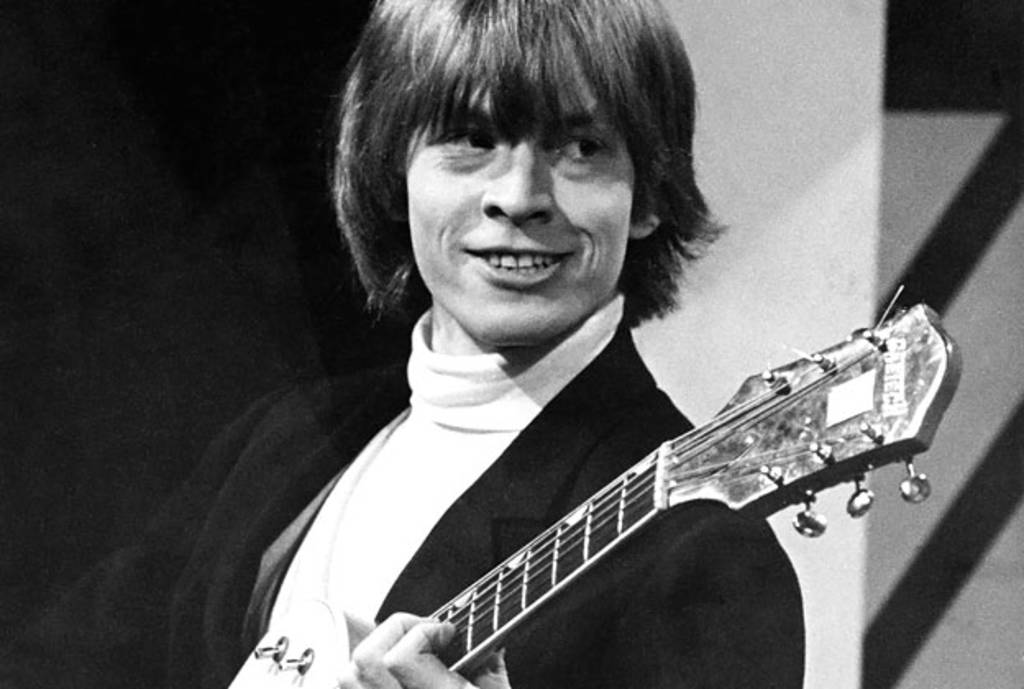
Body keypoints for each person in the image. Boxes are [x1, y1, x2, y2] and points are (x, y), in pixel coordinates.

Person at [8, 0, 804, 687]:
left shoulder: (701, 548)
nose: (519, 196)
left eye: (581, 148)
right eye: (471, 137)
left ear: (650, 197)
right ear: (393, 172)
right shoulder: (283, 442)